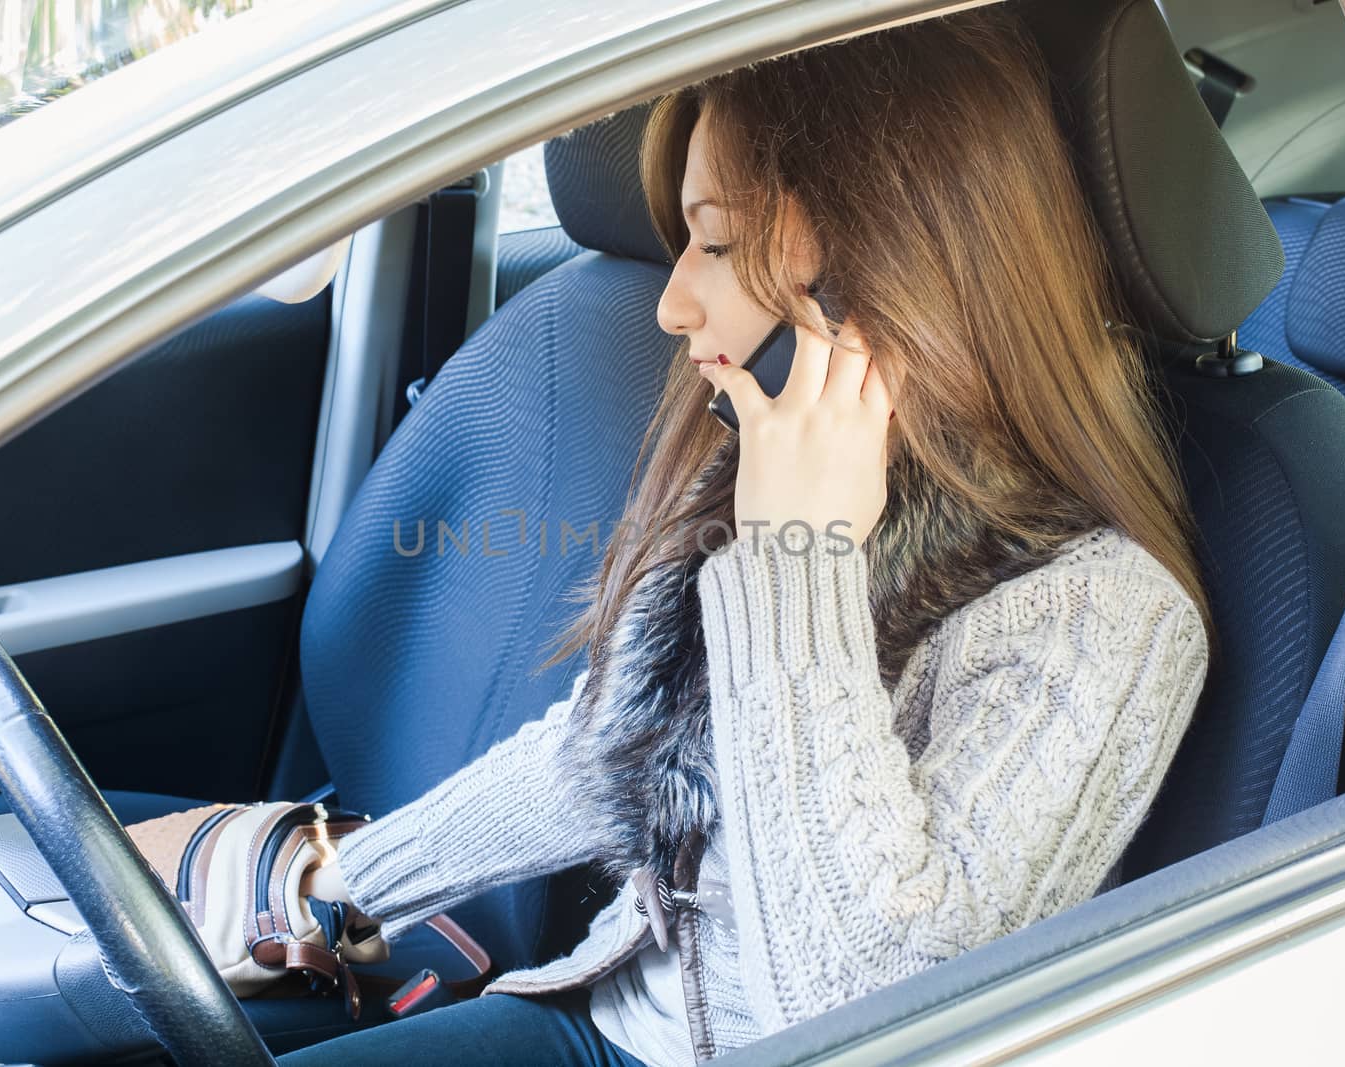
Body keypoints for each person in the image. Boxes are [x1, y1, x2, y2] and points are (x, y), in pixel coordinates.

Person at [191, 7, 1214, 1064]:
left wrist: (797, 565)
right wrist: (327, 891)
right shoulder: (762, 461)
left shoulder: (1107, 615)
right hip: (596, 1012)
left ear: (888, 268)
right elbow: (613, 752)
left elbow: (869, 999)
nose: (673, 303)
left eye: (716, 242)